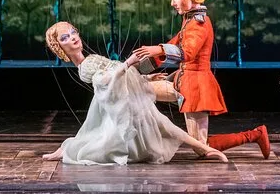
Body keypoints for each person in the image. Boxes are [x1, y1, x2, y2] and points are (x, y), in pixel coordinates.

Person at [133, 0, 271, 159]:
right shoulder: (189, 20)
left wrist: (157, 50)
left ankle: (254, 135)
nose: (173, 2)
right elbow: (174, 44)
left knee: (201, 147)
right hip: (184, 82)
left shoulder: (199, 23)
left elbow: (186, 52)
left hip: (195, 88)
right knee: (139, 88)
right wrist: (137, 68)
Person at [42, 21, 228, 165]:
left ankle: (207, 148)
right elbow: (107, 79)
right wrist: (129, 62)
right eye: (65, 38)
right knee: (164, 125)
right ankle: (206, 148)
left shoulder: (91, 58)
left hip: (131, 96)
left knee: (165, 124)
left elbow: (118, 72)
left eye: (73, 32)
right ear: (60, 48)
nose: (73, 37)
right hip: (125, 103)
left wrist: (145, 78)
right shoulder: (85, 68)